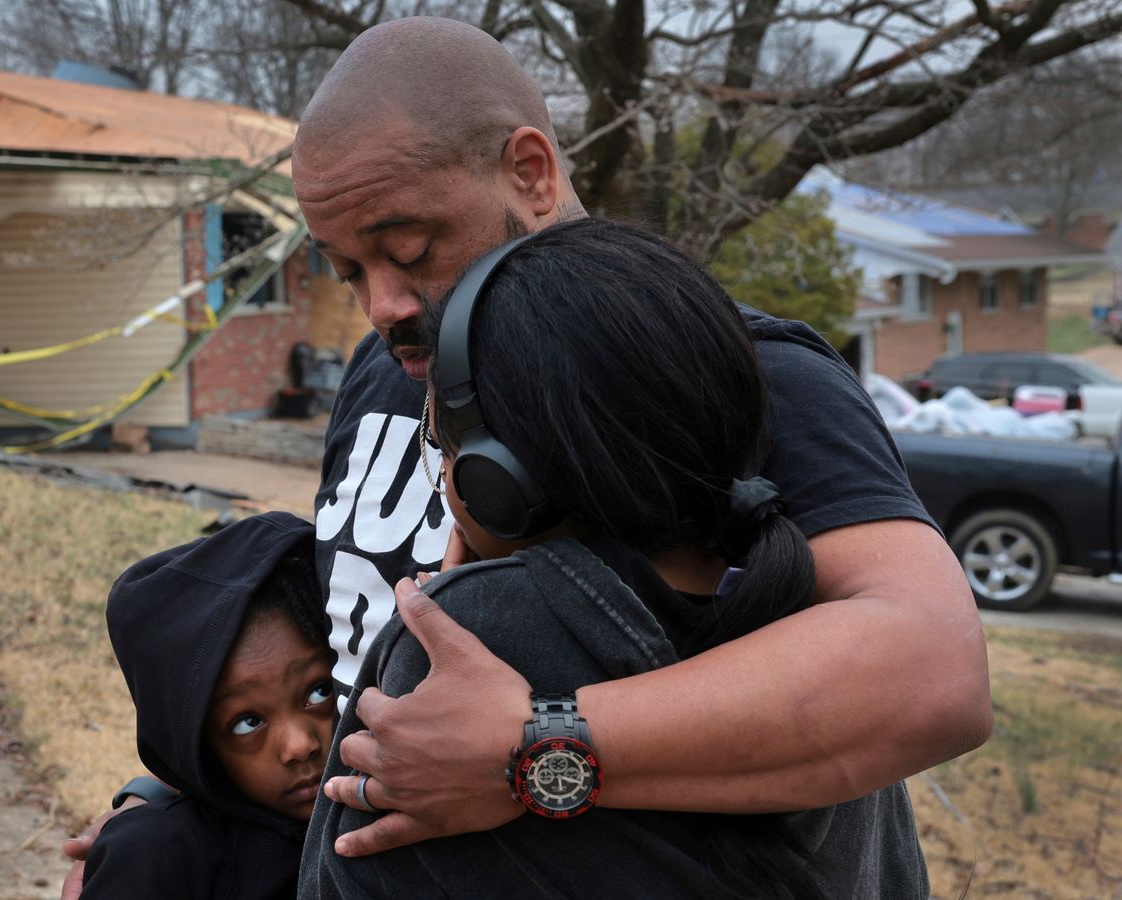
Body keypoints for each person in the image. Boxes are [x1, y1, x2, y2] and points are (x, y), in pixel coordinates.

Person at [64, 17, 991, 895]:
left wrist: (535, 750)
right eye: (347, 269)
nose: (381, 304)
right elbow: (351, 641)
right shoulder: (392, 365)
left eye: (410, 247)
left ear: (532, 173)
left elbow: (931, 671)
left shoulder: (729, 372)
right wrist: (182, 815)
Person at [304, 218, 926, 897]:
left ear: (501, 479)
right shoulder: (815, 621)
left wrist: (468, 596)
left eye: (441, 442)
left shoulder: (465, 629)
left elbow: (338, 874)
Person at [84, 512, 334, 899]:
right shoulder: (157, 860)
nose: (300, 745)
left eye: (318, 692)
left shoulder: (406, 817)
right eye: (248, 722)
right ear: (198, 749)